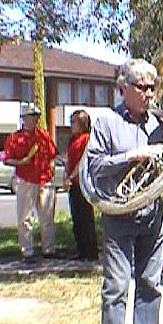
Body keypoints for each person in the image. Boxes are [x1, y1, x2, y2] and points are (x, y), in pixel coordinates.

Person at [86, 59, 163, 324]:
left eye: (153, 87)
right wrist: (132, 156)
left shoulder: (160, 123)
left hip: (152, 213)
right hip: (120, 214)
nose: (149, 93)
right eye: (142, 87)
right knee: (117, 285)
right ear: (124, 89)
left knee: (150, 283)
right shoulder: (106, 122)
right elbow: (94, 165)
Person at [3, 103, 57, 262]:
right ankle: (27, 251)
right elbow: (7, 160)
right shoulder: (15, 138)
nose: (35, 119)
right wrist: (21, 162)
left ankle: (49, 250)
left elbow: (52, 154)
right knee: (25, 218)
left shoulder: (43, 135)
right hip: (26, 180)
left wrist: (51, 170)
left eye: (36, 116)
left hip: (44, 179)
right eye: (32, 116)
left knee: (47, 217)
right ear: (24, 119)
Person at [64, 109, 98, 261]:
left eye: (74, 122)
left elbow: (83, 161)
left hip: (82, 183)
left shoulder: (87, 139)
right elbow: (68, 160)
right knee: (76, 219)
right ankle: (81, 250)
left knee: (85, 218)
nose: (71, 125)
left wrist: (71, 177)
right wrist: (66, 175)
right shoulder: (72, 140)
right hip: (72, 184)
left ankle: (91, 252)